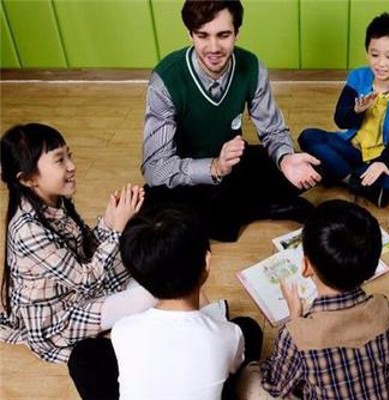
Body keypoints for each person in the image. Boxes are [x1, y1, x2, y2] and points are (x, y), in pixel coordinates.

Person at [142, 0, 321, 242]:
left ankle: (246, 207)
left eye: (223, 35)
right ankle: (262, 207)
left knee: (308, 169)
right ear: (190, 34)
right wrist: (214, 167)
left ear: (237, 33)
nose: (214, 48)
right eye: (203, 35)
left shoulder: (252, 66)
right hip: (191, 173)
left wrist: (285, 158)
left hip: (234, 161)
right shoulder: (166, 78)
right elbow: (155, 168)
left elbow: (273, 131)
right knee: (161, 211)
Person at [0, 124, 155, 374]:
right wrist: (117, 230)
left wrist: (109, 221)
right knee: (152, 293)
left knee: (152, 264)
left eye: (69, 155)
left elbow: (84, 252)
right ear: (28, 179)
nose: (71, 166)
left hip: (75, 292)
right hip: (57, 320)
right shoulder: (28, 230)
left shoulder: (56, 203)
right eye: (59, 160)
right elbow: (86, 279)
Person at [241, 200, 389, 399]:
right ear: (371, 269)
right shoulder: (382, 306)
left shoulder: (295, 335)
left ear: (305, 267)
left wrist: (295, 319)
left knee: (250, 378)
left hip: (300, 357)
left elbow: (276, 386)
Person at [111, 205, 263, 400]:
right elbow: (232, 367)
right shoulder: (229, 335)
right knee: (249, 328)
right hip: (220, 344)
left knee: (86, 353)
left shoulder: (122, 330)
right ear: (206, 261)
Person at [298, 12, 389, 208]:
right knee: (308, 137)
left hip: (380, 155)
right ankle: (355, 182)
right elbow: (340, 120)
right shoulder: (357, 77)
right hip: (352, 148)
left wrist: (382, 162)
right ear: (367, 52)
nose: (381, 63)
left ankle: (336, 171)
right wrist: (356, 111)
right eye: (374, 55)